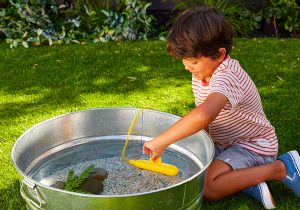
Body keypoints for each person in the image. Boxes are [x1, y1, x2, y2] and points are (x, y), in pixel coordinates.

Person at [142, 5, 300, 209]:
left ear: (219, 54)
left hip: (253, 146)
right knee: (191, 167)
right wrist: (203, 148)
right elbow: (203, 115)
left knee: (208, 187)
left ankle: (280, 168)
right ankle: (246, 181)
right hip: (225, 143)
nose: (187, 66)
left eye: (193, 61)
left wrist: (161, 141)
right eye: (184, 60)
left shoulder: (228, 76)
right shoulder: (201, 73)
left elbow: (205, 113)